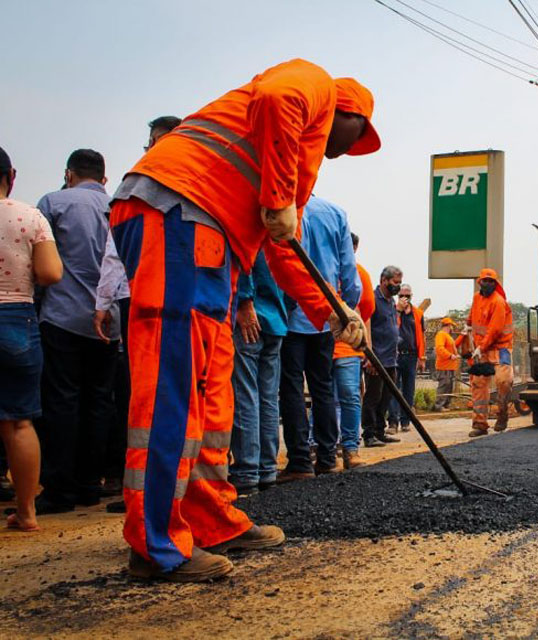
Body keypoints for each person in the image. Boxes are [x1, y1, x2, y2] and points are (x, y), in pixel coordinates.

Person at [108, 59, 377, 581]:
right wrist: (279, 198)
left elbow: (283, 249)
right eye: (355, 135)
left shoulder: (291, 157)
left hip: (209, 237)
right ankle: (156, 545)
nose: (341, 150)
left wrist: (333, 313)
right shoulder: (313, 84)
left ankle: (210, 520)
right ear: (350, 113)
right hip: (177, 213)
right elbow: (278, 99)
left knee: (214, 394)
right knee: (175, 387)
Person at [96, 115, 180, 512]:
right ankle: (148, 498)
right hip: (147, 298)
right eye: (150, 142)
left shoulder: (145, 185)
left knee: (160, 395)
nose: (151, 148)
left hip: (160, 299)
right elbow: (115, 253)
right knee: (145, 395)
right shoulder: (142, 186)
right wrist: (105, 301)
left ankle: (157, 498)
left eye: (156, 140)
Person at [35, 149, 121, 514]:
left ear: (68, 173)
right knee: (101, 401)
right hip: (111, 320)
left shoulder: (53, 203)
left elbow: (43, 264)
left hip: (62, 316)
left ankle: (59, 489)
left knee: (61, 401)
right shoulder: (119, 206)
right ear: (103, 178)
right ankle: (90, 484)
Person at [0, 146, 63, 531]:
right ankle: (26, 512)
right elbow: (52, 272)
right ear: (12, 175)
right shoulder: (29, 216)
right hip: (16, 318)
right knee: (18, 423)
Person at [279, 196, 360, 480]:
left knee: (290, 390)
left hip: (289, 318)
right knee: (323, 389)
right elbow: (349, 272)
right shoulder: (335, 213)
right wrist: (345, 312)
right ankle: (327, 457)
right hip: (326, 319)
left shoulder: (283, 209)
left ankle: (300, 461)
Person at [229, 249, 287, 495]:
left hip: (251, 316)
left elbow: (243, 259)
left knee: (246, 394)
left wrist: (244, 300)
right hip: (276, 319)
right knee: (267, 398)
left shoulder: (253, 225)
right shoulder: (286, 228)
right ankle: (266, 469)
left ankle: (247, 471)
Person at [333, 233, 375, 469]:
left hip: (348, 348)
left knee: (349, 396)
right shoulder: (323, 268)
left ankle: (350, 447)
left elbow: (366, 307)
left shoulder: (359, 273)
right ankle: (319, 445)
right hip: (322, 344)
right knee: (324, 398)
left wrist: (357, 338)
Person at [466, 269, 514, 437]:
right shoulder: (476, 298)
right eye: (484, 281)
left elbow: (495, 330)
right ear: (480, 282)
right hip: (482, 350)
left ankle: (502, 415)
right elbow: (473, 316)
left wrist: (481, 347)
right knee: (478, 384)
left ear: (495, 284)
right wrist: (468, 324)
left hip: (501, 348)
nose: (486, 284)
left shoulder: (499, 302)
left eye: (490, 281)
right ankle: (480, 425)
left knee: (504, 382)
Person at [361, 266, 403, 448]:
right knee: (372, 397)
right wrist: (369, 355)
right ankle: (369, 434)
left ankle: (380, 430)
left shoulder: (391, 302)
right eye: (395, 282)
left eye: (399, 283)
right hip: (376, 357)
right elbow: (367, 326)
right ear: (384, 280)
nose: (397, 287)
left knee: (386, 396)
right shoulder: (372, 299)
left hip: (390, 358)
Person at [387, 284, 425, 433]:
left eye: (407, 296)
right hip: (395, 354)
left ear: (411, 296)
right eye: (401, 295)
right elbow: (390, 327)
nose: (404, 298)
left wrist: (421, 357)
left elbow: (420, 336)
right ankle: (393, 422)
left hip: (411, 355)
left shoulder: (418, 314)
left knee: (409, 390)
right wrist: (399, 311)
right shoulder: (392, 310)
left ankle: (405, 421)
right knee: (394, 388)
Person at [432, 317, 462, 411]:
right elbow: (439, 349)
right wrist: (450, 356)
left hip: (450, 366)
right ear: (448, 325)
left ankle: (445, 405)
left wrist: (462, 336)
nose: (452, 328)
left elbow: (454, 346)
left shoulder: (447, 336)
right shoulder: (441, 335)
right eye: (451, 326)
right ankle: (438, 406)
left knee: (449, 386)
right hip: (444, 365)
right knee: (444, 386)